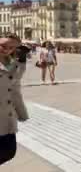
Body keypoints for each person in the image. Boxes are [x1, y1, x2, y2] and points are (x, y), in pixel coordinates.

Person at [0, 33, 29, 166]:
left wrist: (22, 113)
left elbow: (15, 87)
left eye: (12, 48)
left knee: (9, 151)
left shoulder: (11, 63)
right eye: (4, 45)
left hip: (7, 117)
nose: (7, 49)